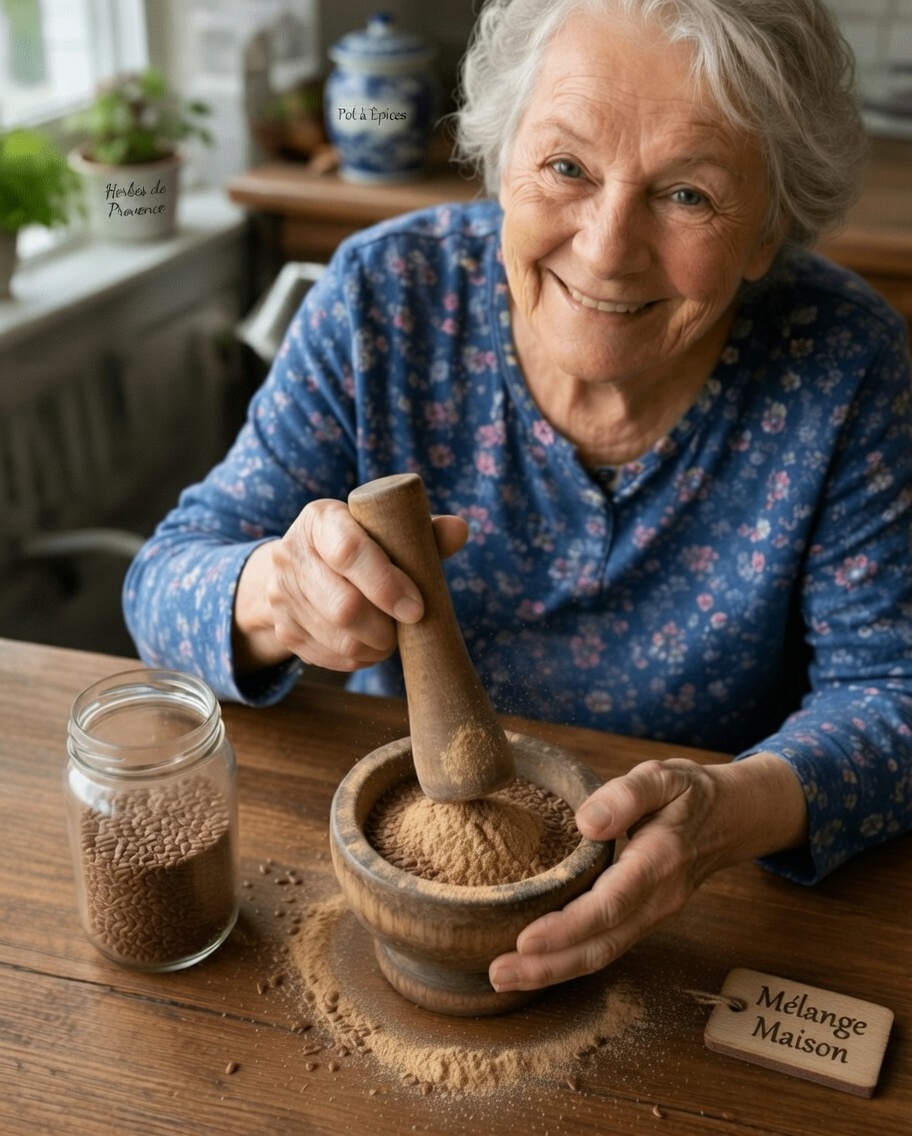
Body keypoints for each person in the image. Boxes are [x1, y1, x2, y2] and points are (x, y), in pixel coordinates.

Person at [124, 0, 912, 996]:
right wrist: (271, 593)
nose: (608, 245)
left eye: (687, 193)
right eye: (567, 167)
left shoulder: (841, 361)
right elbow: (162, 581)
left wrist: (735, 807)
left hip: (699, 918)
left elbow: (893, 695)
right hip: (407, 877)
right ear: (502, 161)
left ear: (768, 227)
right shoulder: (385, 299)